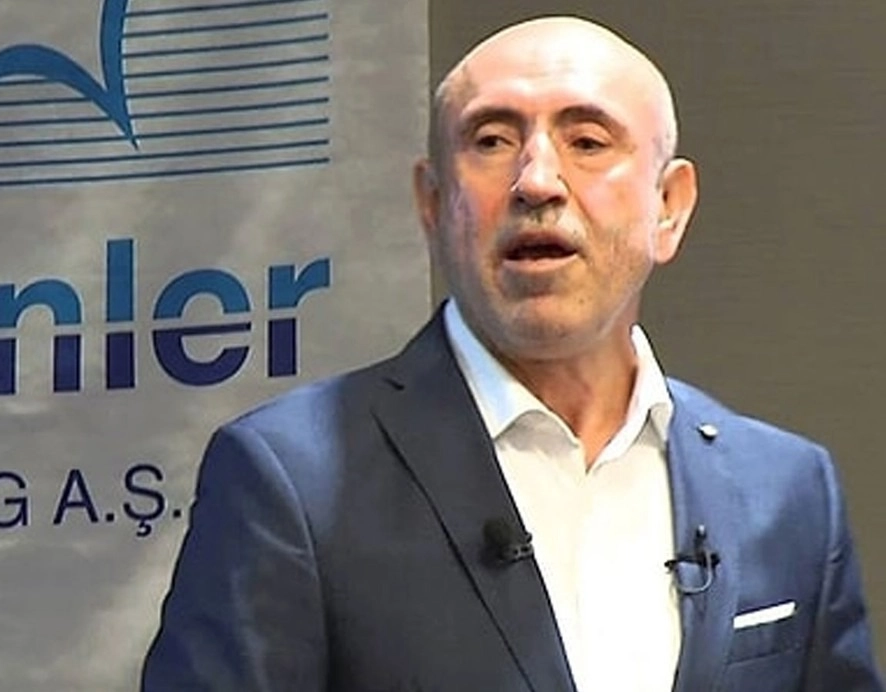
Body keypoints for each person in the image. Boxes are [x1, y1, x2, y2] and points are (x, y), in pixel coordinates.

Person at [141, 15, 883, 692]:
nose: (536, 182)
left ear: (669, 206)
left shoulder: (788, 491)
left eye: (587, 142)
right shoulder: (289, 478)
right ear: (433, 204)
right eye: (492, 141)